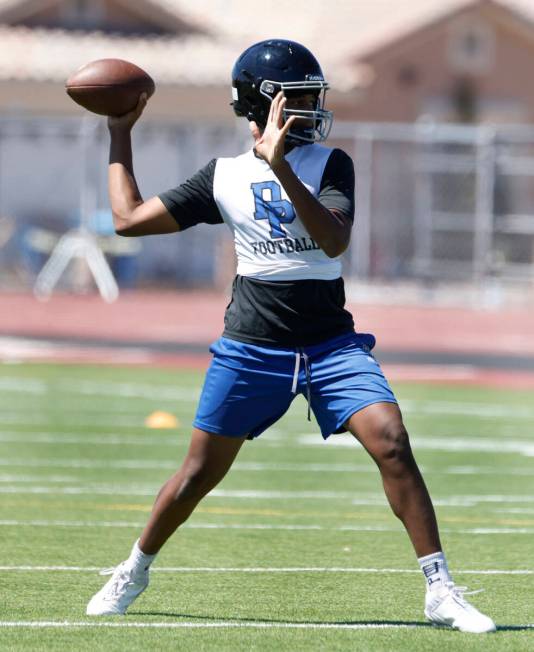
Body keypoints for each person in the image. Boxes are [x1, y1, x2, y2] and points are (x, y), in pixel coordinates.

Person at [86, 39, 495, 634]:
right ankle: (134, 569)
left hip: (330, 343)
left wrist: (279, 164)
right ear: (263, 101)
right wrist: (119, 132)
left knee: (392, 441)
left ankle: (440, 589)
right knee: (199, 473)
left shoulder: (331, 163)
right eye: (298, 98)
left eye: (312, 97)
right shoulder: (223, 176)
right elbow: (128, 221)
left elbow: (333, 240)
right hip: (253, 345)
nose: (310, 108)